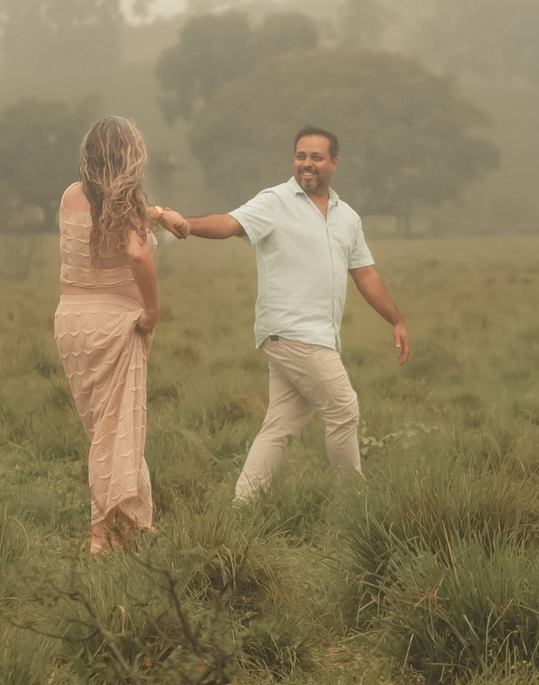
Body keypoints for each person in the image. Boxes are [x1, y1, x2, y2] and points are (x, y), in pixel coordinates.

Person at [157, 126, 410, 500]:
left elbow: (365, 273)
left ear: (334, 163)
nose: (306, 163)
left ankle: (244, 506)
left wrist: (396, 319)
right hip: (292, 331)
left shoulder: (347, 218)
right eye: (300, 156)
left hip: (317, 334)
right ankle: (354, 502)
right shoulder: (274, 201)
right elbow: (229, 223)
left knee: (281, 424)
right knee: (344, 410)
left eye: (316, 157)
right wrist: (187, 225)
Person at [55, 115, 170, 553]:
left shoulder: (71, 195)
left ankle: (127, 522)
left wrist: (161, 215)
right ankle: (101, 532)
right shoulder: (128, 208)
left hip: (72, 324)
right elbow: (137, 254)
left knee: (103, 428)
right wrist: (152, 311)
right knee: (114, 430)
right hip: (114, 326)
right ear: (131, 157)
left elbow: (112, 215)